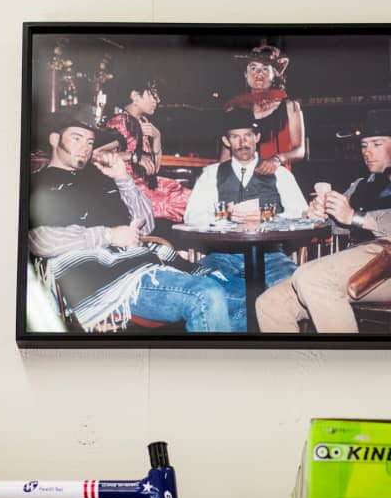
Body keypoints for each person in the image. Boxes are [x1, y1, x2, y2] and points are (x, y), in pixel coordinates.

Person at [28, 104, 232, 333]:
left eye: (90, 142)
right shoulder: (38, 183)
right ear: (55, 139)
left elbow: (147, 224)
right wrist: (109, 235)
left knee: (238, 293)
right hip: (102, 279)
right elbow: (38, 240)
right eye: (77, 138)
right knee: (207, 295)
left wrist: (123, 179)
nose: (85, 147)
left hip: (139, 263)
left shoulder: (101, 177)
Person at [255, 109, 391, 333]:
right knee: (270, 303)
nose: (368, 152)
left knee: (310, 277)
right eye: (364, 145)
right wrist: (319, 215)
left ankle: (343, 354)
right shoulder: (360, 184)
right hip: (358, 260)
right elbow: (340, 224)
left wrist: (355, 216)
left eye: (377, 144)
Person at [184, 109, 308, 330]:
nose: (243, 143)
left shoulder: (280, 174)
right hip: (222, 256)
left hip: (271, 256)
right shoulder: (212, 174)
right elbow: (192, 217)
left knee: (295, 288)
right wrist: (224, 216)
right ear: (226, 141)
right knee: (200, 287)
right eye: (235, 137)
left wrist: (270, 218)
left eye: (248, 135)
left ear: (257, 137)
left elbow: (301, 213)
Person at [105, 74, 191, 227]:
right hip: (130, 190)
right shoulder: (119, 122)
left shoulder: (144, 122)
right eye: (153, 95)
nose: (158, 101)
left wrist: (157, 137)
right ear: (135, 96)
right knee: (184, 202)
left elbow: (154, 169)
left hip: (147, 185)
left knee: (191, 198)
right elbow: (97, 155)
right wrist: (133, 156)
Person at [221, 43, 306, 175]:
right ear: (245, 74)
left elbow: (300, 151)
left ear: (275, 74)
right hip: (243, 178)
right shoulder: (234, 108)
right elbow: (225, 157)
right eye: (253, 68)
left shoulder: (290, 106)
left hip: (278, 176)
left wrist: (277, 159)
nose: (259, 73)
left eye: (265, 68)